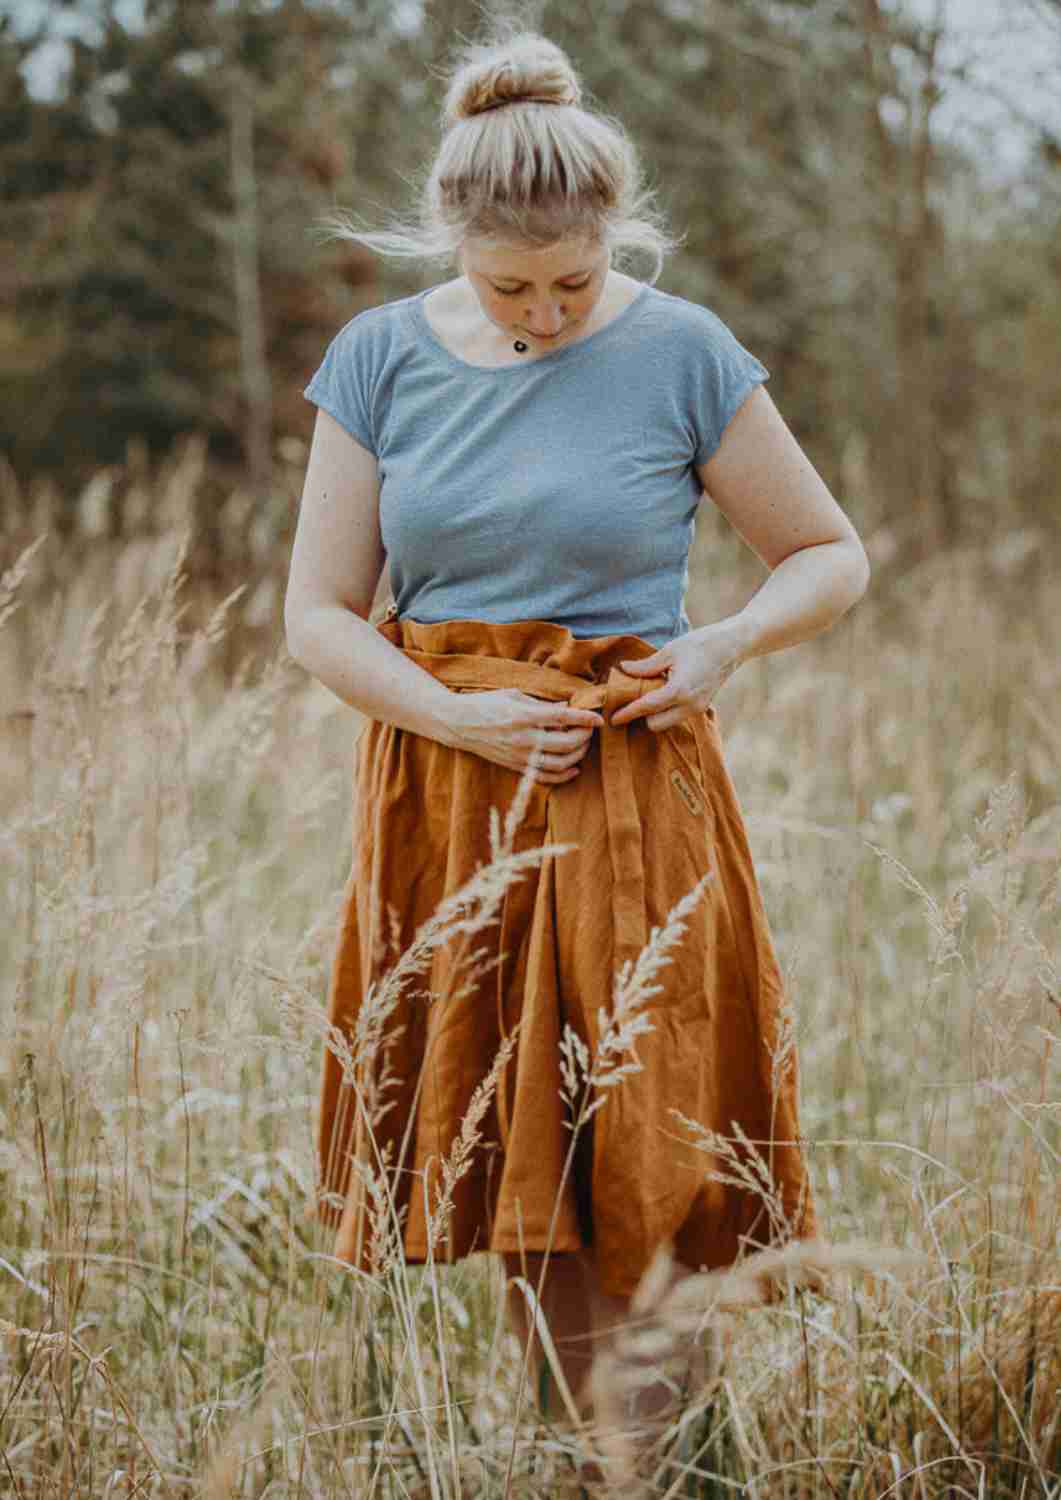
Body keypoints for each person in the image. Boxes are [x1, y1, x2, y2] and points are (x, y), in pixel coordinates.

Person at [285, 16, 869, 1462]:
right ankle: (582, 1461)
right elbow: (317, 614)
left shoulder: (682, 351)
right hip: (450, 789)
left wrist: (725, 639)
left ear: (616, 237)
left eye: (572, 281)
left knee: (648, 1129)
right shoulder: (375, 359)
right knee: (516, 1153)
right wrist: (458, 720)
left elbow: (825, 554)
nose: (544, 312)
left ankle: (670, 1463)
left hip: (632, 787)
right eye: (509, 287)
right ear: (450, 247)